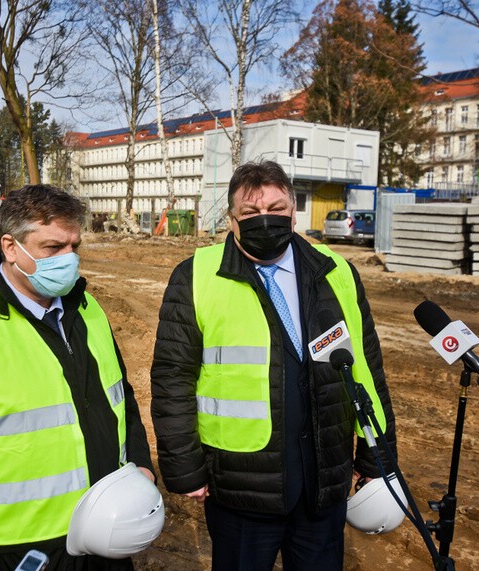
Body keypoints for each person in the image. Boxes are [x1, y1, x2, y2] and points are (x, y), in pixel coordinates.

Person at [150, 160, 397, 570]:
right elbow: (172, 377)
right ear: (231, 219)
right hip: (242, 484)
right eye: (250, 212)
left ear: (294, 212)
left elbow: (367, 367)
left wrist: (378, 455)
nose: (265, 219)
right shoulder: (196, 275)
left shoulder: (336, 271)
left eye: (277, 208)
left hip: (323, 480)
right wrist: (185, 467)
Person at [0, 185, 155, 570]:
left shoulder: (89, 310)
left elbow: (123, 401)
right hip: (19, 555)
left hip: (105, 539)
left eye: (75, 247)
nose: (69, 260)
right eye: (53, 249)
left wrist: (140, 464)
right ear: (10, 247)